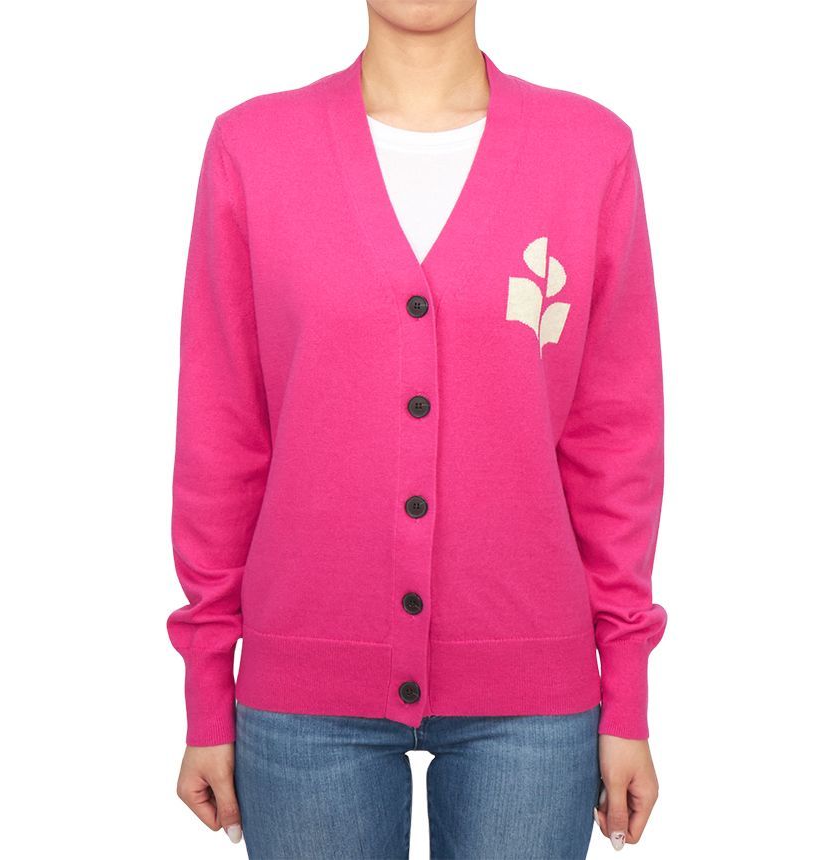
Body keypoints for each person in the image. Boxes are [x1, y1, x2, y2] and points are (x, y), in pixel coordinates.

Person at [167, 2, 667, 857]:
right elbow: (223, 435)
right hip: (304, 693)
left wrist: (626, 693)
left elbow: (614, 443)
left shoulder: (589, 152)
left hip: (532, 699)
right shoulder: (252, 150)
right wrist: (207, 689)